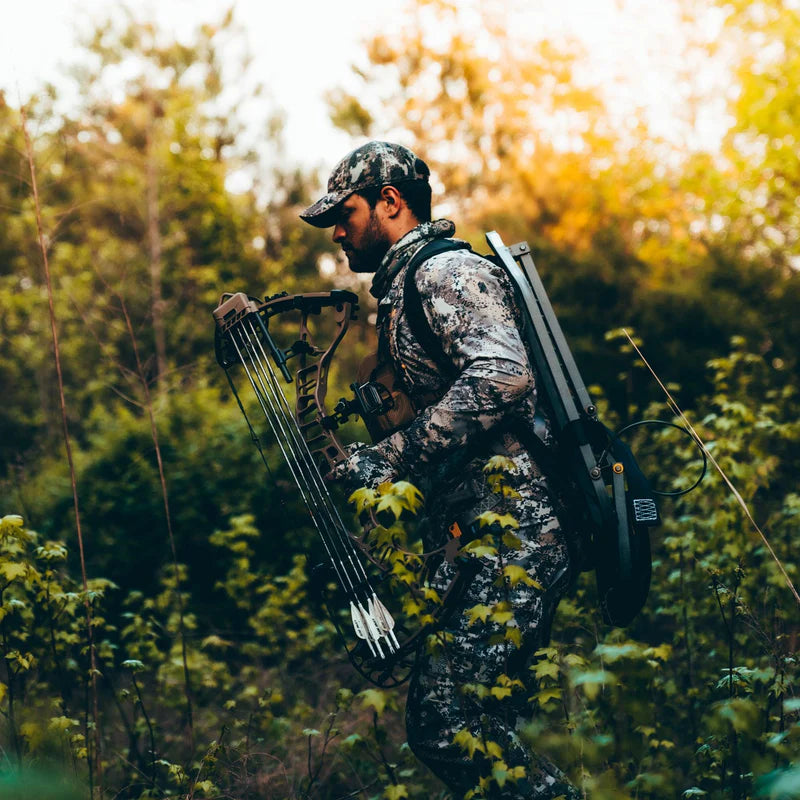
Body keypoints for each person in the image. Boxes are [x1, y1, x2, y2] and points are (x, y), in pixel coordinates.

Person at [300, 141, 580, 800]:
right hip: (483, 534)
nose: (337, 232)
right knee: (484, 723)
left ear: (390, 202)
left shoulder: (443, 272)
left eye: (345, 214)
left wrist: (388, 457)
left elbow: (503, 377)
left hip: (518, 528)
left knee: (446, 720)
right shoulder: (405, 289)